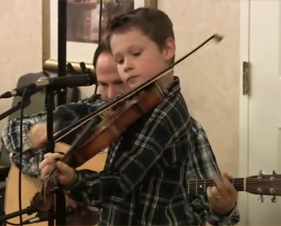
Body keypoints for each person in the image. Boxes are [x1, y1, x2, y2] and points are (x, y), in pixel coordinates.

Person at [38, 7, 240, 226]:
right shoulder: (135, 103)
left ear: (167, 49)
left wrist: (75, 181)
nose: (127, 66)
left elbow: (120, 182)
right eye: (120, 59)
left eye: (135, 53)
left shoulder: (166, 114)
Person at [1, 42, 130, 178]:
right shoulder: (93, 106)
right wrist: (44, 167)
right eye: (103, 84)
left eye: (119, 82)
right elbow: (11, 131)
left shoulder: (146, 120)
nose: (110, 95)